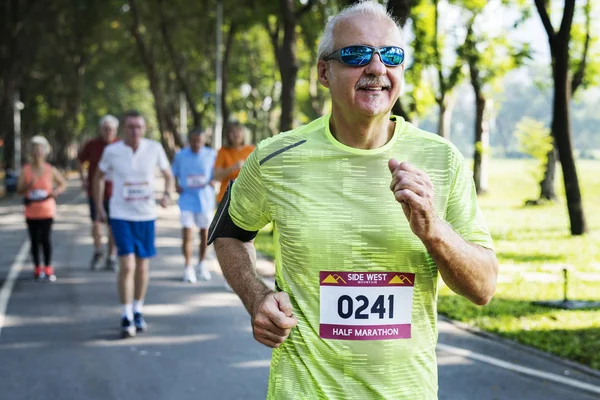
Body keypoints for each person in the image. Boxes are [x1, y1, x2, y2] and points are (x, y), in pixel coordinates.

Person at [209, 2, 498, 399]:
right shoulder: (276, 158)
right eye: (357, 54)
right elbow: (227, 233)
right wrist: (255, 297)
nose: (377, 68)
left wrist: (435, 230)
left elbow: (483, 288)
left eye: (391, 56)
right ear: (324, 72)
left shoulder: (442, 159)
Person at [93, 110, 173, 338]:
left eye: (138, 126)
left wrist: (166, 194)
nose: (134, 131)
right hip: (120, 213)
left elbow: (168, 175)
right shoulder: (112, 151)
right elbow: (98, 177)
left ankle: (138, 309)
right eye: (130, 127)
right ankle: (125, 313)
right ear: (123, 129)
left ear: (144, 129)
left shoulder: (154, 148)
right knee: (127, 265)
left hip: (146, 215)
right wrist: (99, 206)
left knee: (142, 266)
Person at [17, 136, 67, 281]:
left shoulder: (49, 169)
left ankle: (48, 267)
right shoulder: (26, 170)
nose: (37, 152)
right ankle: (37, 268)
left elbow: (63, 183)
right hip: (31, 210)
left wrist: (56, 191)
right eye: (35, 149)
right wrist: (28, 185)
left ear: (45, 151)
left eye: (40, 149)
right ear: (31, 152)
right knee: (34, 240)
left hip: (47, 209)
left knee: (45, 239)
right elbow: (19, 190)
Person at [171, 128, 217, 283]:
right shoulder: (181, 155)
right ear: (189, 141)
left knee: (205, 234)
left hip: (204, 200)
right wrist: (175, 185)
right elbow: (173, 174)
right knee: (187, 233)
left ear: (204, 141)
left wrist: (213, 181)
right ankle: (187, 267)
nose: (196, 144)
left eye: (199, 141)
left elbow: (216, 174)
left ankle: (202, 263)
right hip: (186, 200)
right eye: (194, 141)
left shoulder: (211, 155)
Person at [78, 115, 119, 271]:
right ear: (101, 130)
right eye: (105, 129)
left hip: (115, 192)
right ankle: (98, 251)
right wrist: (83, 178)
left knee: (113, 227)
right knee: (96, 223)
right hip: (95, 192)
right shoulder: (92, 144)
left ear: (115, 130)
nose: (108, 132)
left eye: (111, 129)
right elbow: (80, 160)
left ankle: (111, 257)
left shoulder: (120, 145)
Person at [213, 121, 255, 204]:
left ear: (243, 133)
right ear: (227, 135)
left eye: (238, 131)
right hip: (227, 198)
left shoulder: (252, 150)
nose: (236, 134)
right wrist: (233, 167)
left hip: (248, 198)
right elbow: (216, 176)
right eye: (232, 132)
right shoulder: (223, 151)